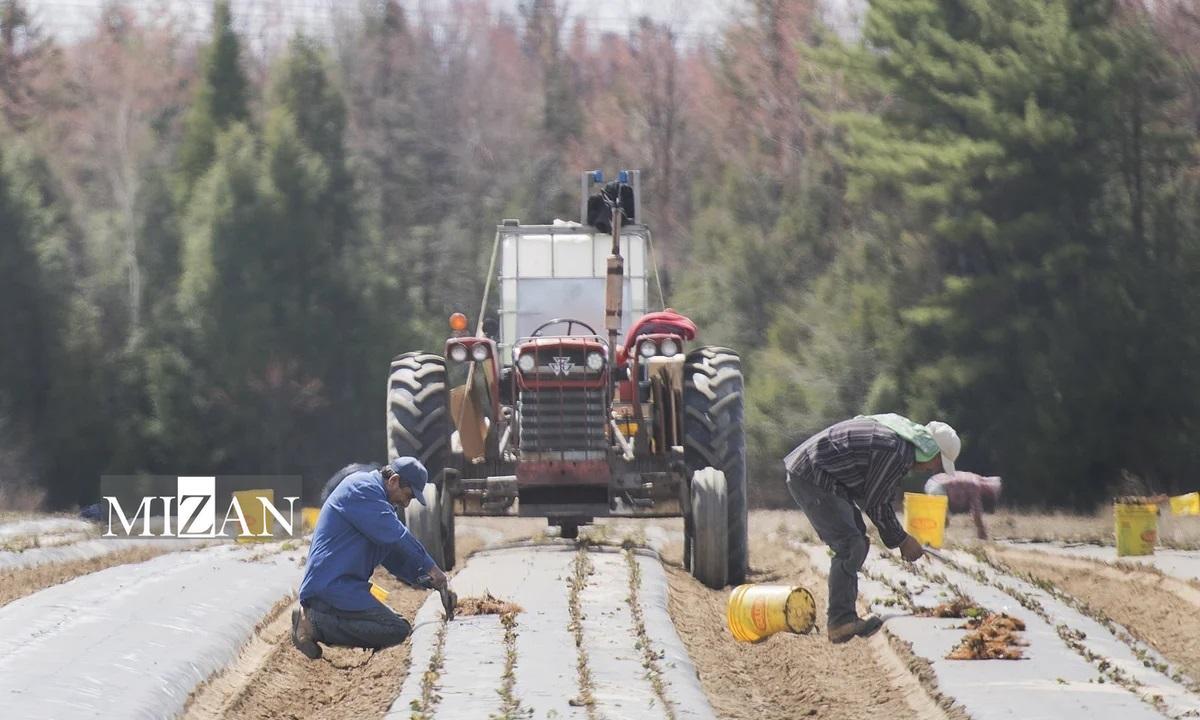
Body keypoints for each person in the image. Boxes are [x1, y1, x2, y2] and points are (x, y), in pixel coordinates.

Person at [784, 413, 960, 644]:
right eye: (937, 461)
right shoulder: (895, 451)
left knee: (857, 539)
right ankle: (840, 621)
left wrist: (897, 536)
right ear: (929, 449)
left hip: (818, 473)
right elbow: (877, 503)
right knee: (850, 544)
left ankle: (844, 617)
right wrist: (902, 540)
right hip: (813, 475)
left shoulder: (896, 438)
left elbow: (874, 495)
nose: (933, 468)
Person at [291, 457, 452, 659]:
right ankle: (313, 625)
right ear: (393, 481)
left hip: (345, 586)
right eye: (408, 495)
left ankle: (319, 621)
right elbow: (399, 536)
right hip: (330, 586)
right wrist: (433, 569)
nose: (406, 503)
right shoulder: (361, 489)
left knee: (396, 625)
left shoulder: (378, 501)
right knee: (396, 629)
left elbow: (392, 557)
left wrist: (428, 581)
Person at [925, 472, 1002, 540]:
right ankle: (931, 539)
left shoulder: (974, 478)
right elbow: (976, 510)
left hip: (932, 482)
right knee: (941, 521)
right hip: (937, 487)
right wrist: (981, 530)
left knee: (942, 521)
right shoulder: (975, 485)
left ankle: (935, 538)